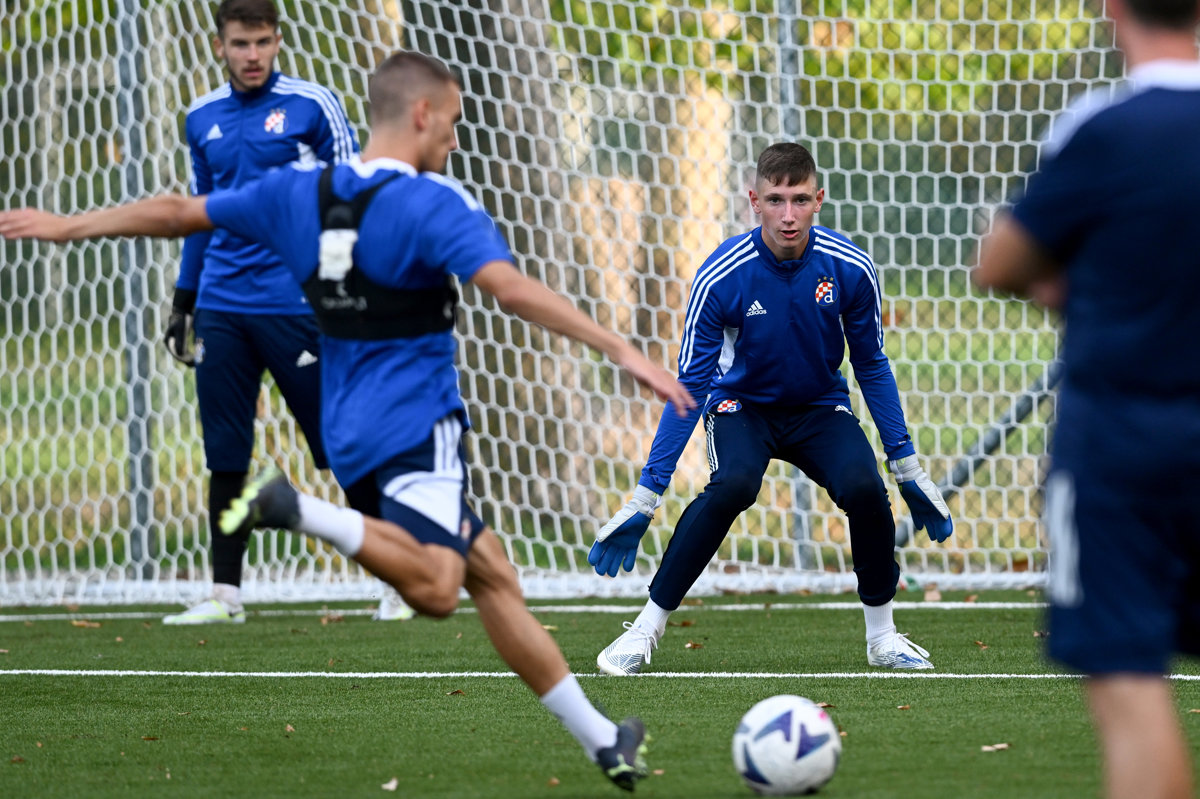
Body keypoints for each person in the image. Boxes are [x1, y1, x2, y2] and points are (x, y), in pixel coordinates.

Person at [0, 50, 696, 792]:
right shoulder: (434, 202)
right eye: (454, 123)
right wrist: (620, 347)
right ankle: (294, 505)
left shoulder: (296, 192)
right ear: (422, 114)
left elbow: (179, 211)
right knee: (434, 586)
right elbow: (511, 289)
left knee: (493, 571)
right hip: (417, 426)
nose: (456, 141)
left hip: (348, 429)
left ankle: (602, 740)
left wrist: (66, 227)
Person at [590, 142, 954, 676]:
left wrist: (907, 465)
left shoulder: (850, 267)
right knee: (734, 484)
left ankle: (884, 638)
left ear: (819, 200)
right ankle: (644, 630)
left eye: (800, 200)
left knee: (864, 487)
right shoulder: (721, 275)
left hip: (819, 407)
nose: (789, 215)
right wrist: (647, 497)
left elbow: (871, 364)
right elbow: (690, 383)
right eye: (776, 199)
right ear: (753, 201)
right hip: (742, 407)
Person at [973, 0, 1200, 795]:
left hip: (1120, 446)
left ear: (1112, 9)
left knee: (1131, 687)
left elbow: (998, 263)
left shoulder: (1101, 127)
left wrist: (1091, 291)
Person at [159, 0, 415, 624]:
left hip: (296, 307)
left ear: (278, 42)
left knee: (341, 445)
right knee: (225, 452)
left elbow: (352, 196)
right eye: (241, 44)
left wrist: (350, 286)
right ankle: (226, 596)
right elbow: (200, 211)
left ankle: (398, 582)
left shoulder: (313, 106)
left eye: (263, 42)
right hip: (221, 305)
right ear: (219, 45)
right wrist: (184, 297)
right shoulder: (201, 117)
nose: (253, 55)